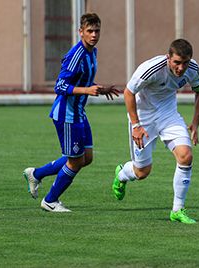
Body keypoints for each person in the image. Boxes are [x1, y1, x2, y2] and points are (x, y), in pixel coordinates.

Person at [23, 13, 119, 212]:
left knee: (86, 158)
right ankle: (50, 201)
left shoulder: (93, 52)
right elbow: (59, 85)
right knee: (75, 162)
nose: (94, 35)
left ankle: (37, 174)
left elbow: (81, 82)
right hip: (66, 115)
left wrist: (99, 89)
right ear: (81, 32)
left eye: (97, 31)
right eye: (90, 31)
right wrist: (87, 90)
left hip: (79, 113)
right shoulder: (76, 55)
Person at [112, 39, 199, 224]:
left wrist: (195, 122)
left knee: (186, 156)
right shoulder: (151, 68)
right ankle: (122, 174)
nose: (181, 68)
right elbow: (128, 92)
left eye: (185, 62)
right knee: (142, 172)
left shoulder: (193, 69)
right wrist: (136, 125)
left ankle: (177, 210)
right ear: (168, 58)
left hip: (168, 115)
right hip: (143, 117)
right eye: (177, 62)